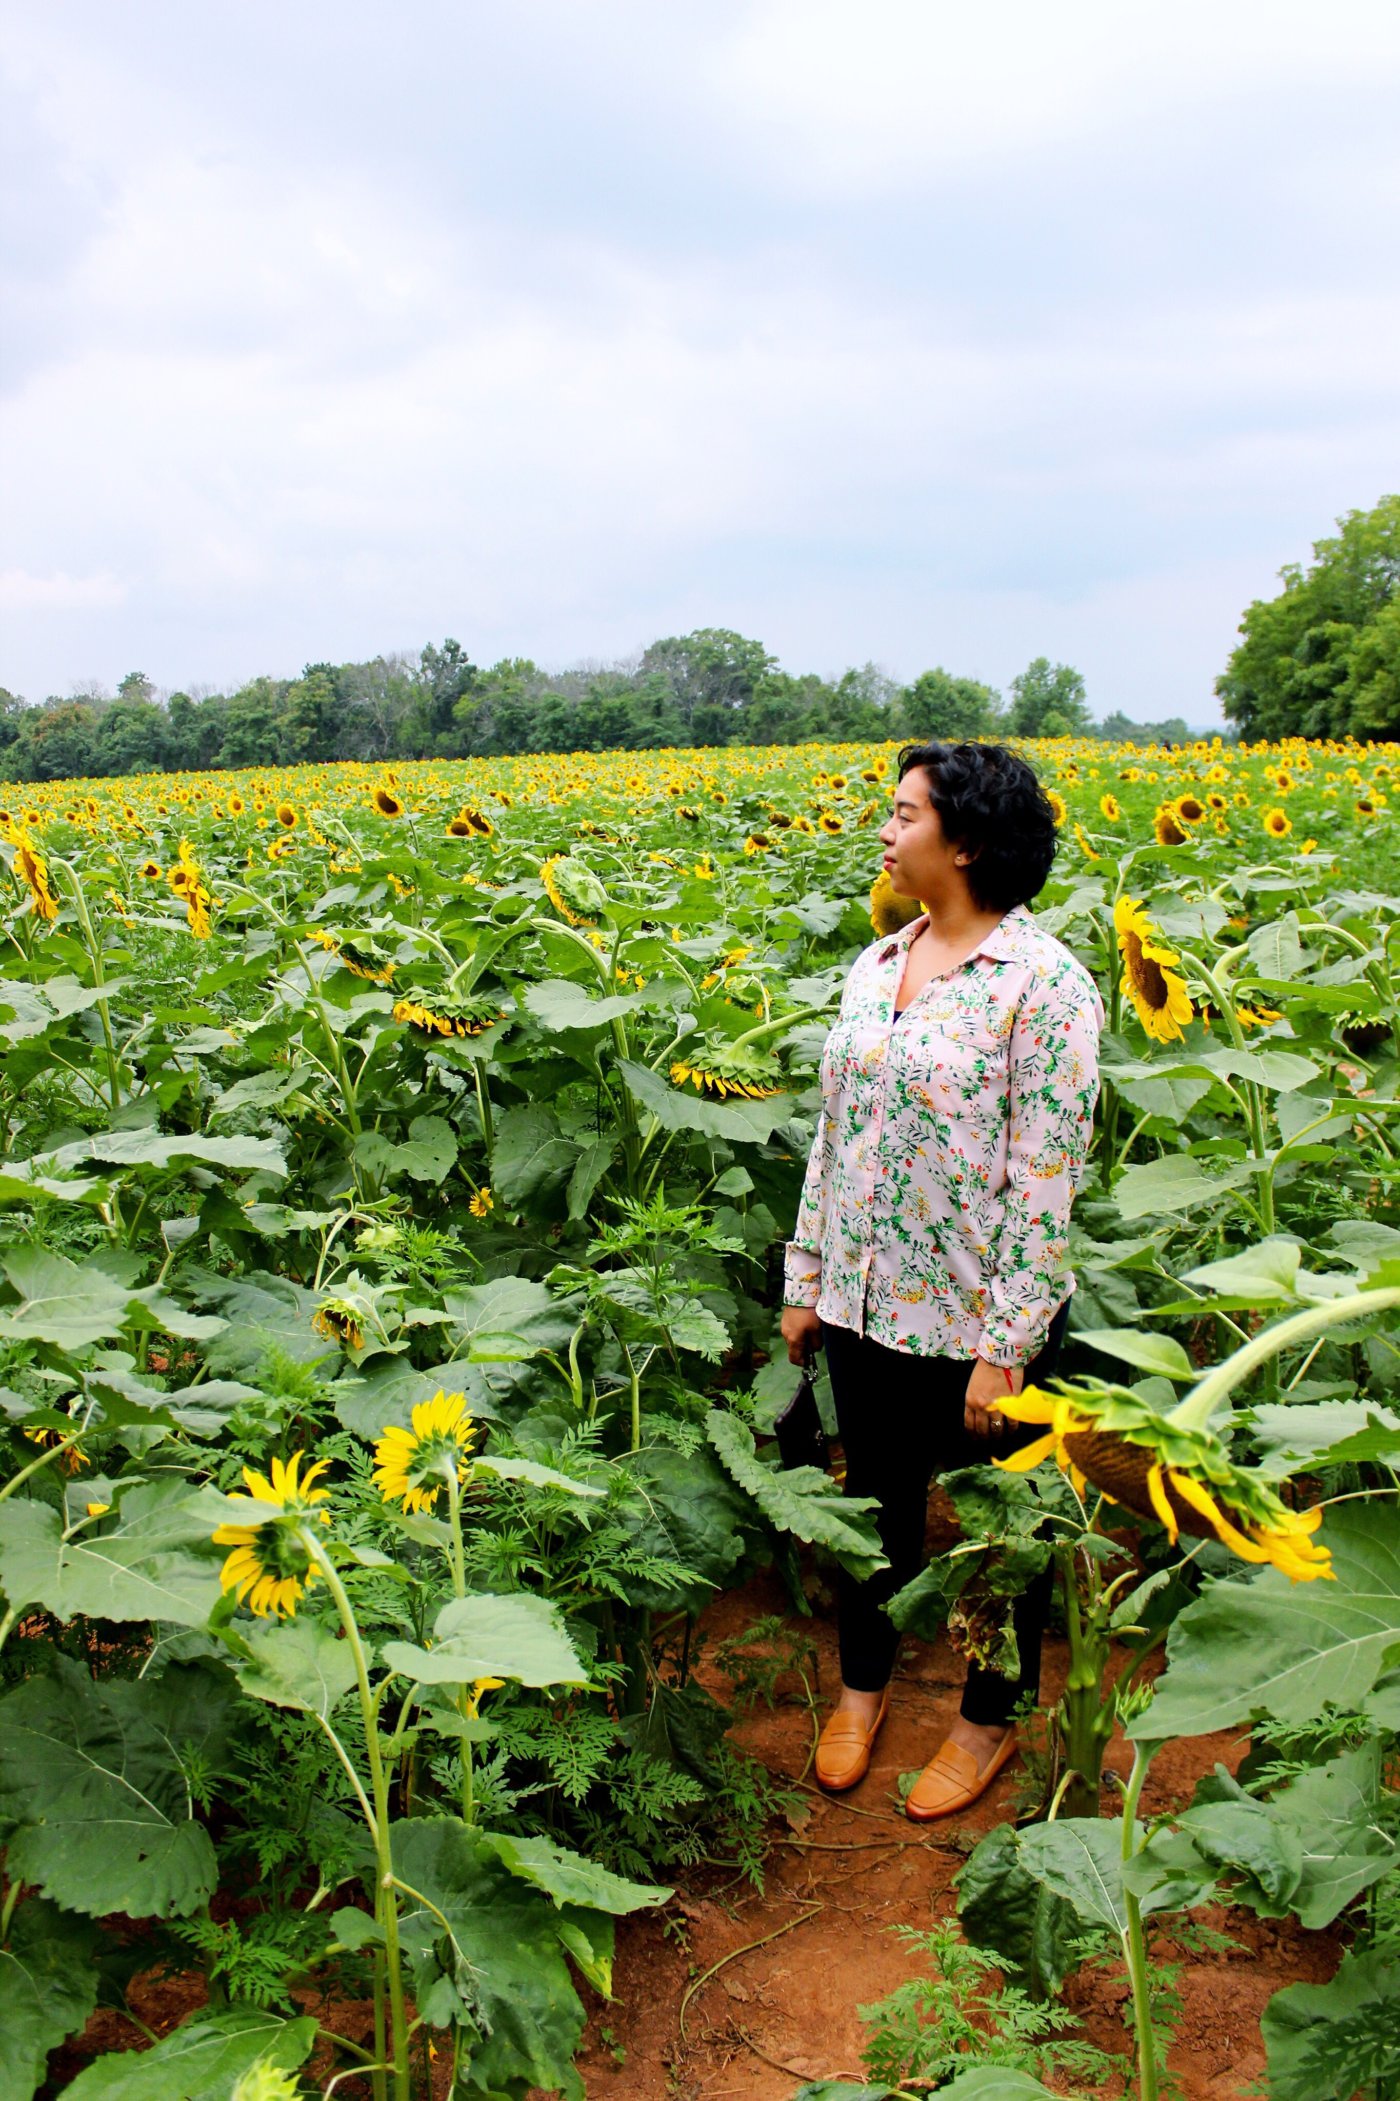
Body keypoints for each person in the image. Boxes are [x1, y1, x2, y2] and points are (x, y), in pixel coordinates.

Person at [779, 740, 1102, 1819]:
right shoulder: (875, 964)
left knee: (997, 1539)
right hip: (865, 1301)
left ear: (962, 841)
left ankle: (984, 1721)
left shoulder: (1043, 985)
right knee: (872, 1512)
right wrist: (806, 1273)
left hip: (974, 1324)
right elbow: (833, 1137)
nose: (883, 829)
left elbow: (1044, 1178)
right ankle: (861, 1691)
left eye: (902, 813)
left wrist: (1004, 1344)